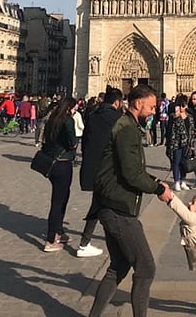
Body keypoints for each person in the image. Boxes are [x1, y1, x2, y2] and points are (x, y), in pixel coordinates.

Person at [88, 85, 172, 317]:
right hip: (118, 208)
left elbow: (132, 168)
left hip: (112, 204)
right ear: (137, 104)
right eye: (152, 107)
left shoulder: (128, 126)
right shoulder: (126, 129)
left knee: (119, 267)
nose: (155, 111)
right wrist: (157, 189)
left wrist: (155, 180)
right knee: (146, 270)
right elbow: (130, 173)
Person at [77, 86, 123, 258]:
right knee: (111, 204)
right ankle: (87, 243)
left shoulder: (92, 115)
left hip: (92, 167)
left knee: (99, 203)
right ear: (117, 102)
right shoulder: (117, 118)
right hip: (109, 168)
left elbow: (85, 142)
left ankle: (86, 242)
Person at [41, 97, 78, 252]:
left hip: (52, 164)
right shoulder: (67, 121)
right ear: (69, 108)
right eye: (75, 108)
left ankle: (59, 232)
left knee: (61, 198)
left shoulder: (52, 120)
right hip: (62, 164)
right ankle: (50, 240)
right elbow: (72, 142)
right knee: (58, 202)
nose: (76, 110)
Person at [166, 95, 195, 191]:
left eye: (184, 105)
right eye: (181, 105)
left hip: (187, 143)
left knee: (184, 162)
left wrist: (192, 144)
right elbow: (170, 130)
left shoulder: (190, 117)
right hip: (176, 143)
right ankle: (176, 182)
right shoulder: (173, 117)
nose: (183, 107)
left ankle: (183, 181)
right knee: (176, 162)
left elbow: (191, 130)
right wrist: (176, 116)